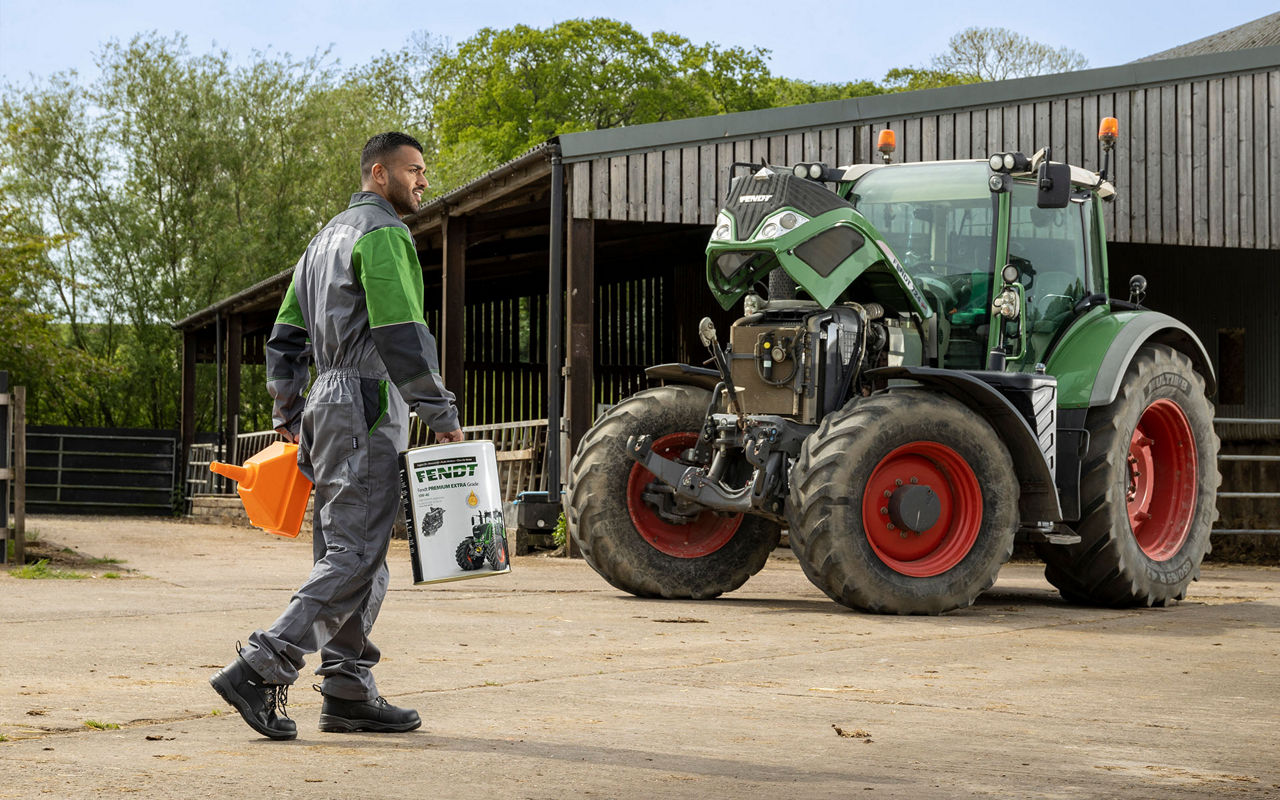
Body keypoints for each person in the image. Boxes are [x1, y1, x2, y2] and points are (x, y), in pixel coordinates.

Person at [211, 132, 463, 740]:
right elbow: (401, 330)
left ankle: (348, 688)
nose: (423, 181)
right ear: (380, 174)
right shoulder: (383, 236)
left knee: (355, 553)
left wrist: (289, 408)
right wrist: (440, 409)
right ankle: (261, 664)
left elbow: (284, 337)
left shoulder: (321, 242)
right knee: (354, 555)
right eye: (414, 171)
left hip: (330, 403)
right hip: (368, 400)